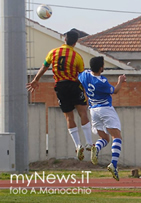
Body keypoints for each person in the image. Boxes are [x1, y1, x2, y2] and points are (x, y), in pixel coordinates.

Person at [26, 30, 93, 161]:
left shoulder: (53, 52)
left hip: (60, 86)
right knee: (83, 112)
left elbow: (44, 67)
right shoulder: (77, 56)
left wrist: (36, 80)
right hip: (74, 85)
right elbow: (81, 76)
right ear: (75, 42)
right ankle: (89, 143)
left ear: (64, 39)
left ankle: (78, 145)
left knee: (69, 117)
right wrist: (86, 91)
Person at [78, 56, 126, 181]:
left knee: (105, 138)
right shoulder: (102, 82)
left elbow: (79, 76)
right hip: (105, 109)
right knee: (117, 136)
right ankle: (113, 164)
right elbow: (115, 91)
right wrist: (120, 81)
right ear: (101, 68)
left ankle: (96, 148)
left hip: (93, 110)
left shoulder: (85, 75)